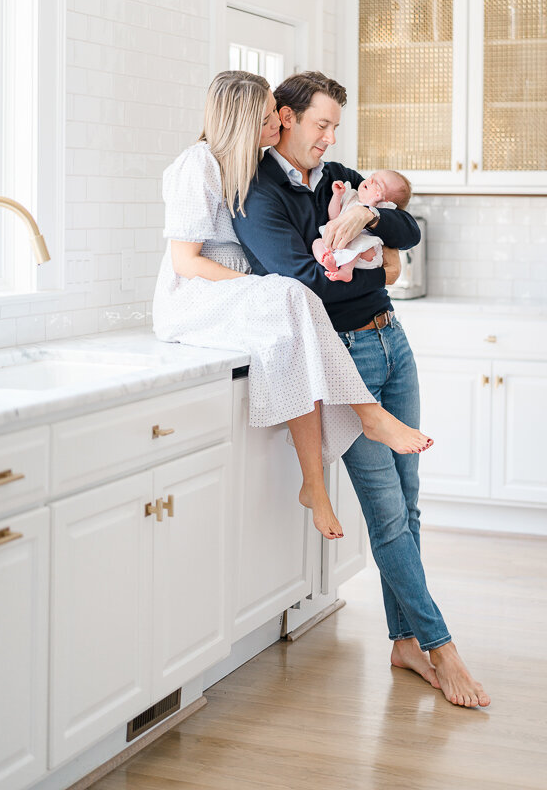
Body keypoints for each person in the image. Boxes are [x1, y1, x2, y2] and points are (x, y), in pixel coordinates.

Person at [232, 71, 491, 709]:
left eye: (335, 128)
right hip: (344, 359)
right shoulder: (257, 195)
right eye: (321, 124)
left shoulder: (339, 177)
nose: (330, 138)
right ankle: (441, 648)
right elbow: (302, 282)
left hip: (392, 341)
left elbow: (411, 229)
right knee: (387, 512)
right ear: (284, 119)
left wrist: (371, 214)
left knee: (411, 502)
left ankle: (404, 641)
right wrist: (370, 260)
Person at [152, 70, 432, 543]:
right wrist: (256, 285)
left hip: (242, 293)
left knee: (291, 334)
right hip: (197, 294)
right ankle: (366, 416)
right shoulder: (199, 165)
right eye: (267, 119)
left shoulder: (250, 165)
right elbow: (185, 260)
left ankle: (313, 482)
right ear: (244, 122)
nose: (276, 128)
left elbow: (402, 237)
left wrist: (369, 219)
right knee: (291, 293)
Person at [312, 169, 412, 282]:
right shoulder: (351, 196)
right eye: (372, 176)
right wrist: (337, 196)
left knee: (357, 242)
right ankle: (326, 260)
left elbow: (370, 211)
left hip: (364, 252)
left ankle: (346, 271)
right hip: (337, 246)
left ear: (384, 200)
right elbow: (334, 217)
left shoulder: (378, 207)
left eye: (378, 184)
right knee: (317, 243)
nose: (370, 180)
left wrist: (373, 202)